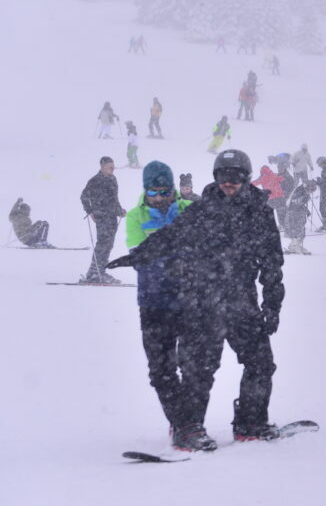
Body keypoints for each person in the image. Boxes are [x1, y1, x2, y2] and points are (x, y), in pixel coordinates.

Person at [107, 148, 286, 450]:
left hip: (243, 302)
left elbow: (272, 264)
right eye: (223, 176)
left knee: (261, 363)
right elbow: (172, 235)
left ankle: (250, 422)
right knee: (199, 370)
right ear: (216, 177)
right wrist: (139, 256)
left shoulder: (260, 213)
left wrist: (272, 305)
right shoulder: (203, 210)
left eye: (236, 176)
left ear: (247, 177)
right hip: (205, 301)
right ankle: (188, 430)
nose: (229, 182)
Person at [123, 161, 196, 436]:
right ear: (145, 191)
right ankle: (181, 423)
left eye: (166, 191)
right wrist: (178, 258)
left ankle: (191, 424)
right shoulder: (135, 217)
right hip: (154, 303)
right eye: (154, 192)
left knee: (195, 368)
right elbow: (141, 258)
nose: (161, 197)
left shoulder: (189, 210)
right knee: (161, 370)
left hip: (191, 302)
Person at [80, 156, 126, 283]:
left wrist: (120, 210)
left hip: (112, 217)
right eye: (109, 166)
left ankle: (100, 272)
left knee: (108, 245)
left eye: (113, 166)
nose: (112, 168)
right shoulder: (95, 180)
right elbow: (84, 196)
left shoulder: (113, 179)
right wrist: (90, 211)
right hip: (101, 216)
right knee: (102, 244)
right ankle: (93, 273)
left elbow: (114, 199)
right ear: (102, 166)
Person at [283, 179, 316, 254]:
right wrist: (304, 203)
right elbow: (295, 202)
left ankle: (297, 244)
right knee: (297, 228)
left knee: (301, 228)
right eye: (311, 190)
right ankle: (294, 246)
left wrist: (306, 210)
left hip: (298, 212)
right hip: (294, 213)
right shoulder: (299, 191)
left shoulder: (303, 190)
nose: (311, 192)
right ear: (308, 187)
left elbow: (300, 203)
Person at [252, 161, 287, 229]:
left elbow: (254, 183)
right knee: (280, 212)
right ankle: (283, 225)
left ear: (261, 171)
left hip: (271, 197)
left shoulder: (262, 177)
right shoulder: (274, 174)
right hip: (280, 197)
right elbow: (283, 179)